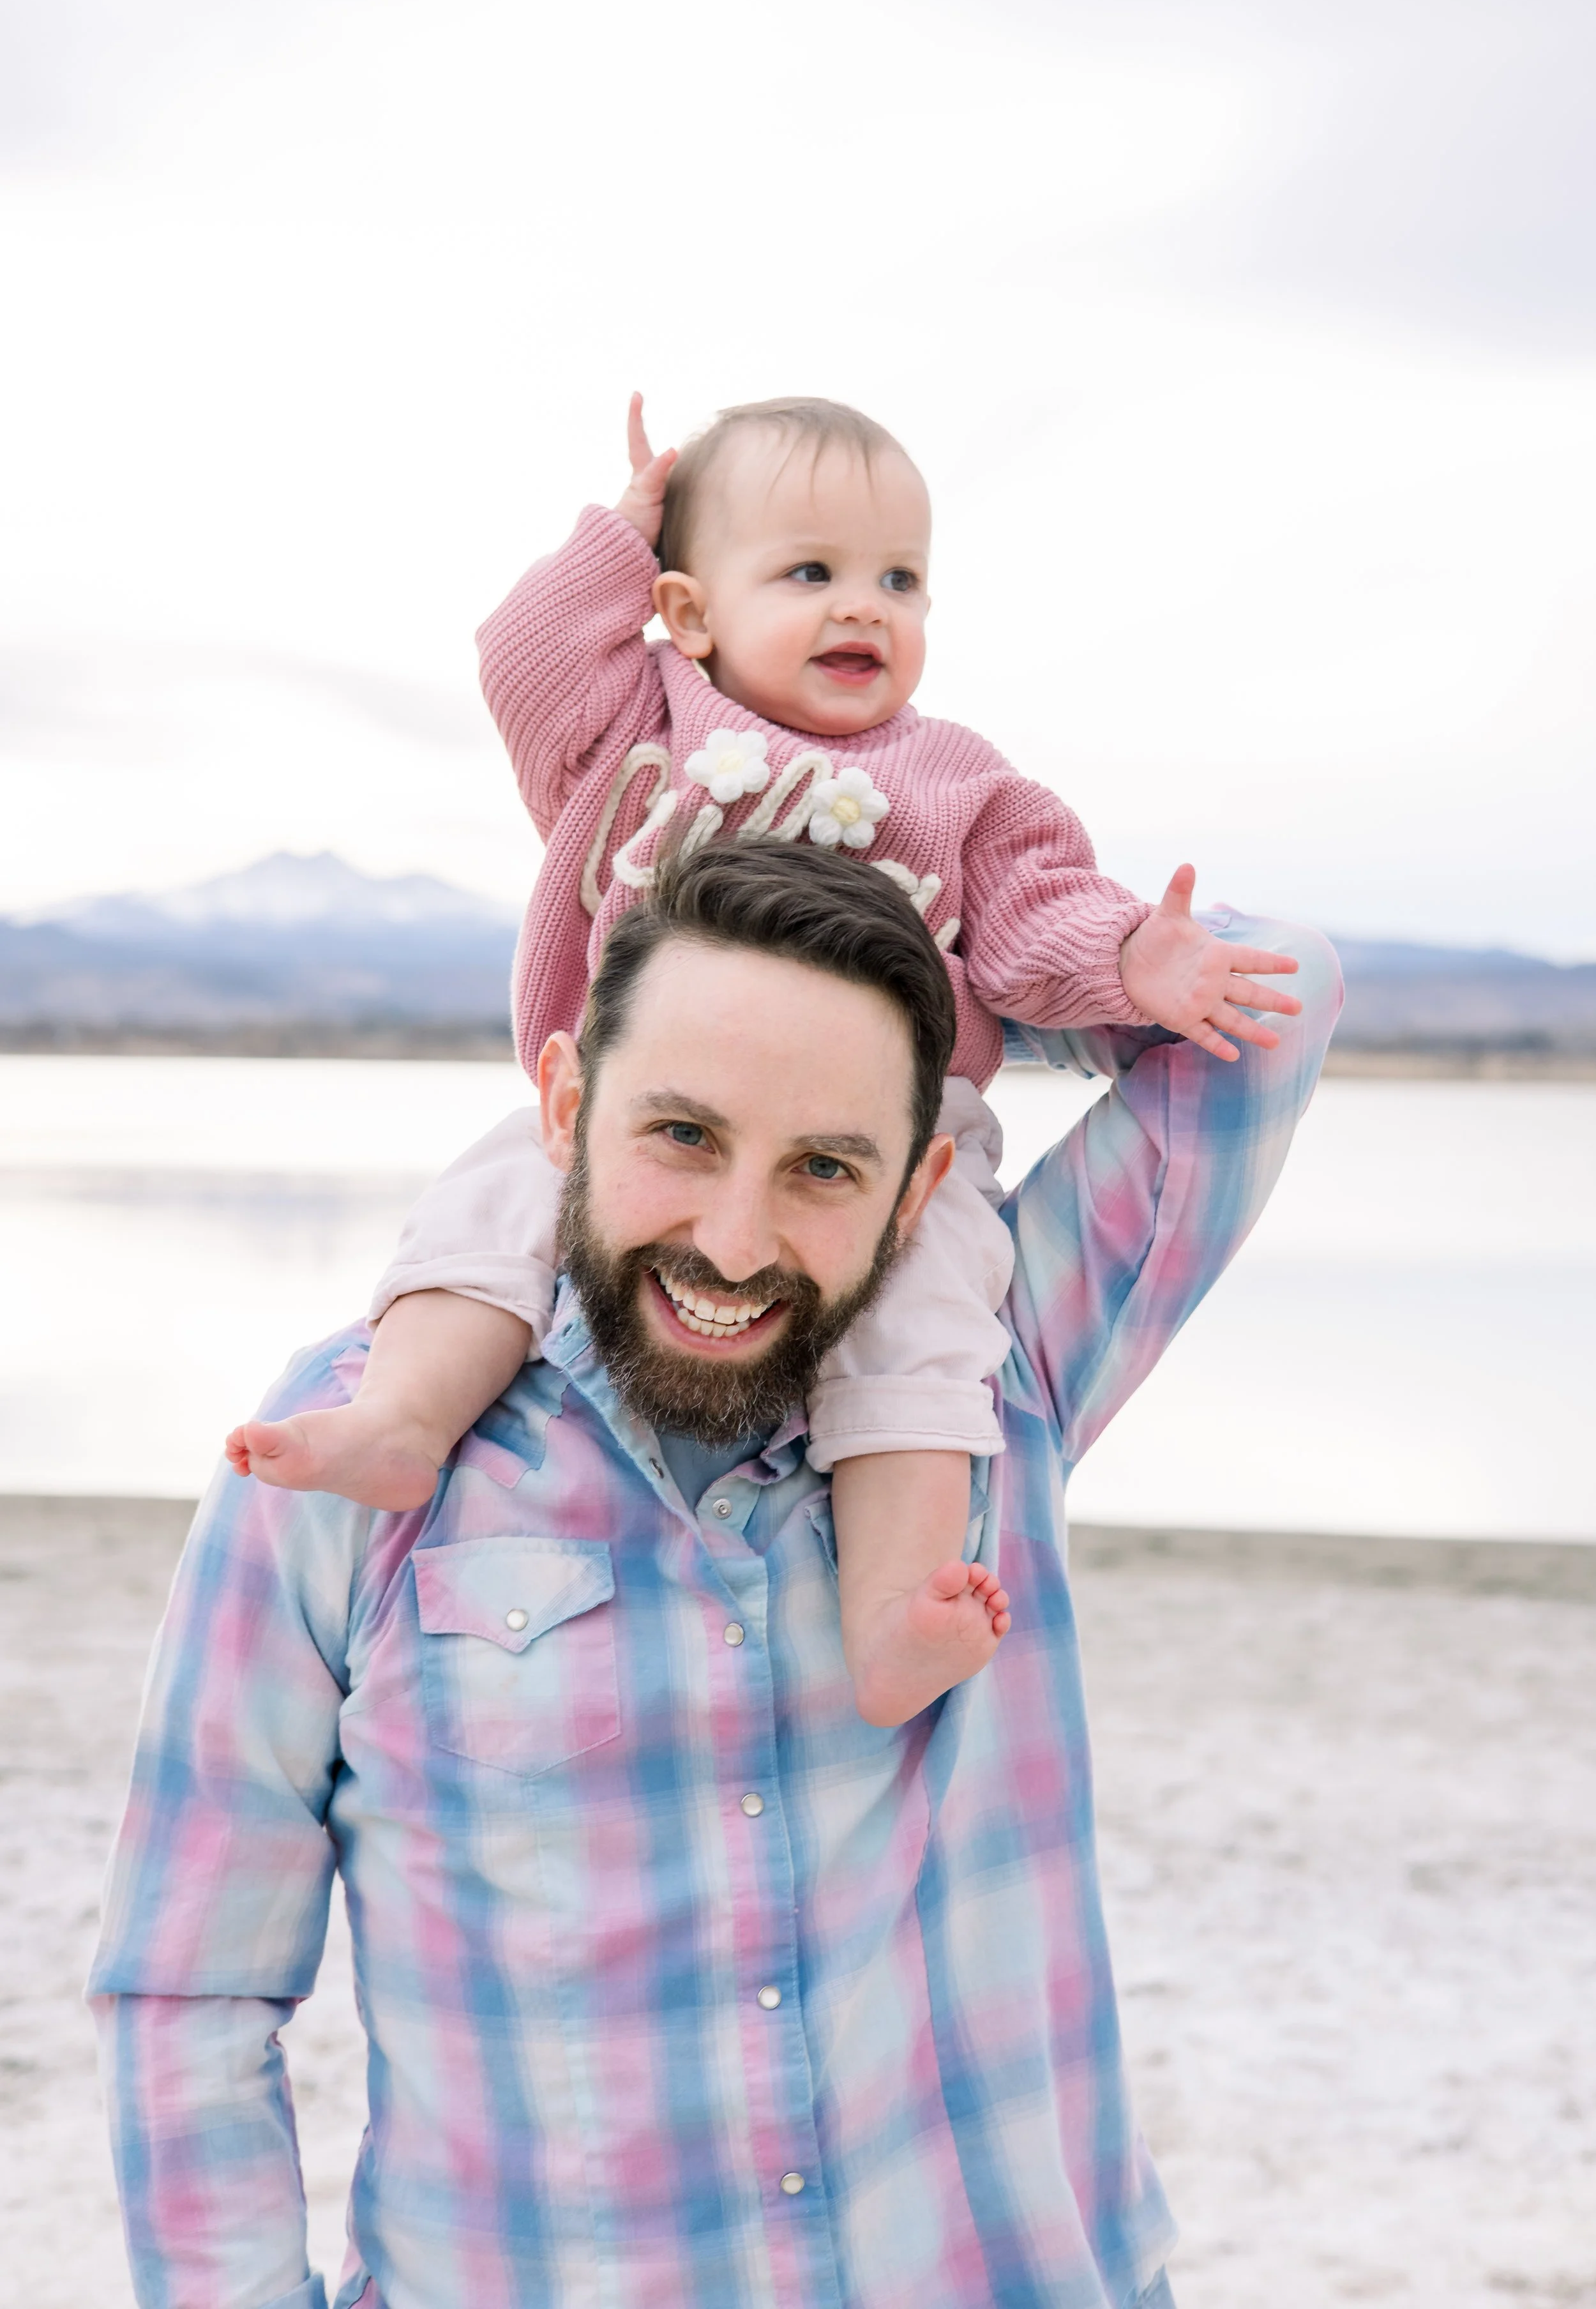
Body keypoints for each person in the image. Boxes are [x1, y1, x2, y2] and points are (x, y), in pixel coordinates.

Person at [92, 835, 1341, 2309]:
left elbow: (1281, 996)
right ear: (563, 1105)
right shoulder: (351, 1456)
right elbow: (191, 1983)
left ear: (922, 1186)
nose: (734, 1243)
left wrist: (1021, 949)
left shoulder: (995, 1390)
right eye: (680, 1136)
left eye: (824, 1166)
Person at [225, 396, 1302, 1727]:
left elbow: (1034, 912)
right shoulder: (640, 725)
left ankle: (892, 1613)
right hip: (632, 1121)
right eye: (809, 573)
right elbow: (524, 664)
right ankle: (404, 1418)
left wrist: (1131, 958)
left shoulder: (956, 780)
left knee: (927, 1335)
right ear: (685, 612)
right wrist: (611, 547)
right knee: (483, 1216)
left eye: (897, 579)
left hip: (882, 1152)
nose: (864, 608)